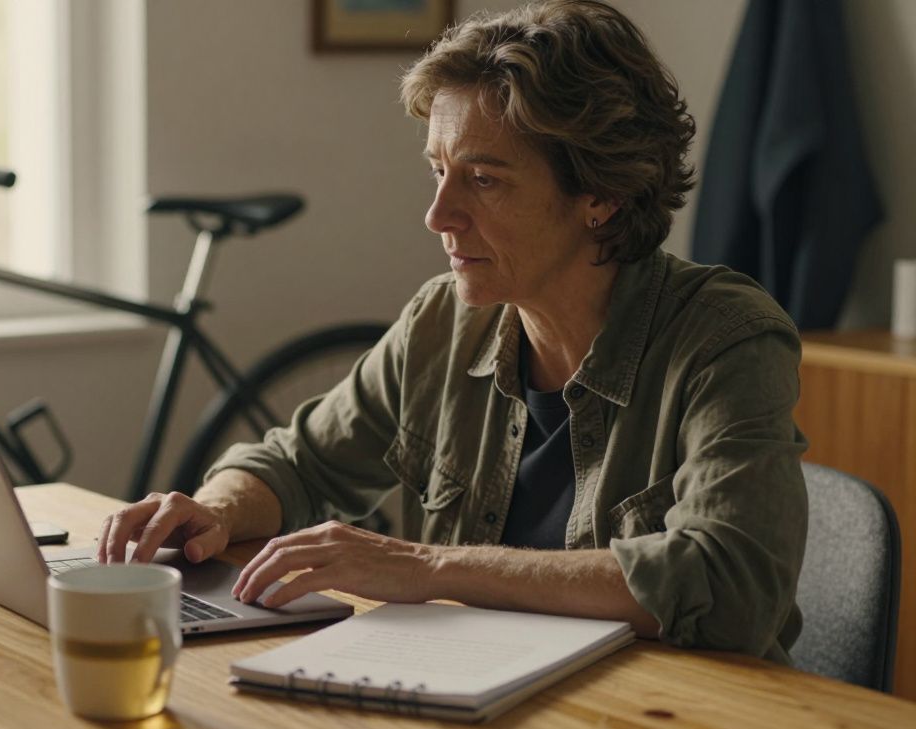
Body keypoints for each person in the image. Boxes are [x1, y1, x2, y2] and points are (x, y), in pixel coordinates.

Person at [98, 0, 807, 663]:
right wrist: (215, 511)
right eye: (438, 170)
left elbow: (729, 582)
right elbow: (298, 462)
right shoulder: (444, 320)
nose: (439, 214)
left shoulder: (726, 338)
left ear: (602, 195)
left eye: (484, 180)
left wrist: (428, 567)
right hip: (478, 687)